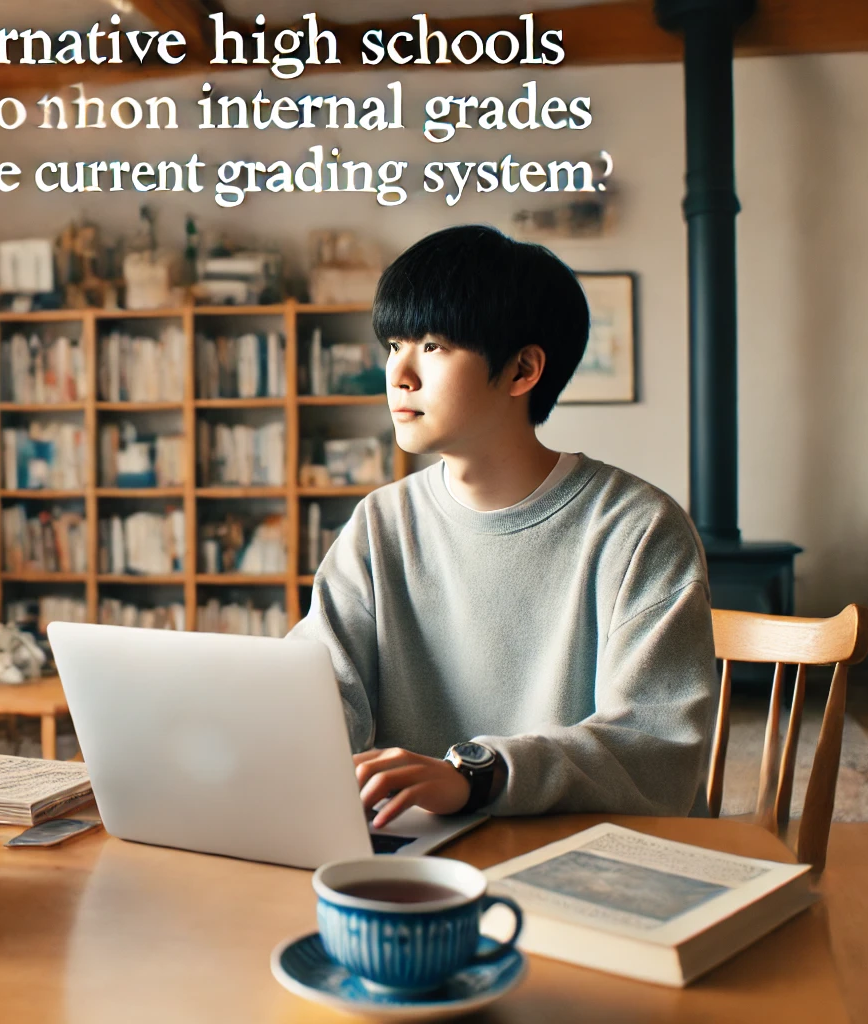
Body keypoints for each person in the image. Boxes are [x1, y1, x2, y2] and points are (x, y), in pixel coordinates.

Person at [288, 225, 716, 827]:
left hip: (589, 856)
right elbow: (317, 694)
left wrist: (478, 775)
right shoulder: (379, 524)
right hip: (420, 856)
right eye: (393, 345)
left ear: (522, 370)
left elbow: (657, 752)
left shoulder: (639, 529)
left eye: (433, 346)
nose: (399, 374)